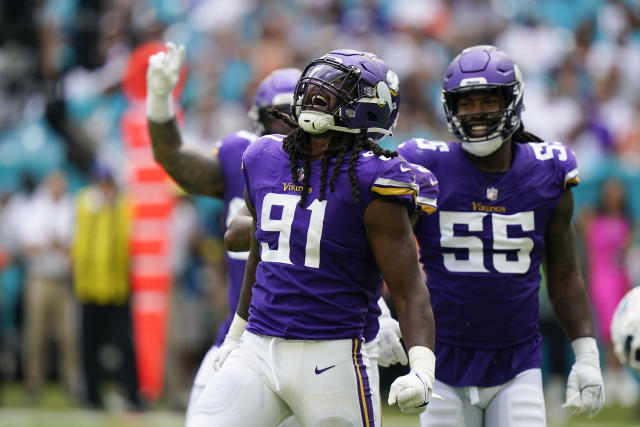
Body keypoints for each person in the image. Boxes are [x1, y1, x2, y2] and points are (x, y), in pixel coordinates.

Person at [153, 46, 437, 425]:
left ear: (370, 108)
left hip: (333, 354)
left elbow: (407, 285)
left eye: (334, 89)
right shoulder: (265, 156)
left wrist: (421, 367)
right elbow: (259, 252)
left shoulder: (375, 181)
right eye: (316, 83)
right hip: (258, 345)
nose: (317, 94)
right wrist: (237, 333)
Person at [397, 45, 605, 426]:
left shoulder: (547, 172)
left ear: (513, 101)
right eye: (466, 102)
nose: (476, 113)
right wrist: (375, 314)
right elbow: (388, 256)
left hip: (517, 362)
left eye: (488, 100)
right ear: (449, 107)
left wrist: (587, 355)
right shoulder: (425, 167)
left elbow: (564, 276)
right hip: (440, 361)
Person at [71, 163, 142, 410]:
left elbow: (126, 237)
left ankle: (132, 394)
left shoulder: (122, 206)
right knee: (90, 344)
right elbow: (82, 241)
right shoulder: (86, 203)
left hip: (116, 287)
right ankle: (91, 395)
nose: (103, 188)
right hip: (90, 287)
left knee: (124, 344)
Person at [18, 170, 79, 402]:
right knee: (36, 334)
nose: (57, 188)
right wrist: (54, 244)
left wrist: (54, 245)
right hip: (39, 278)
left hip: (62, 280)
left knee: (69, 335)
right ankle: (34, 384)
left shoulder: (70, 207)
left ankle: (72, 384)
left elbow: (74, 249)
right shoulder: (35, 206)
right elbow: (28, 246)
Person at [581, 177, 637, 406]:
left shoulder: (627, 221)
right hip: (601, 279)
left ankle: (619, 375)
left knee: (626, 324)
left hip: (621, 278)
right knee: (607, 327)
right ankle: (611, 375)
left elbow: (627, 251)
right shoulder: (592, 219)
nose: (614, 196)